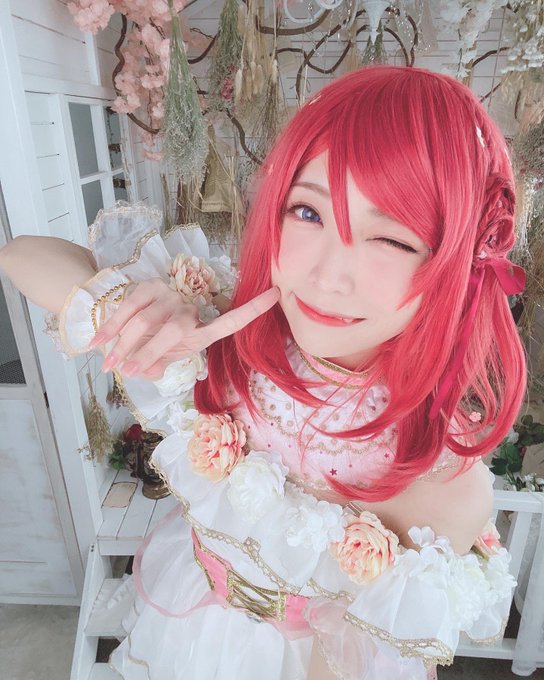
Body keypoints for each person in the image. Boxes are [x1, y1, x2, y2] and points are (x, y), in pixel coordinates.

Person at [0, 65, 526, 679]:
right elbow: (22, 255)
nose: (326, 275)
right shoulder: (226, 323)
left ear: (460, 263)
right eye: (308, 212)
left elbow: (350, 649)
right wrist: (133, 311)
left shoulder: (431, 471)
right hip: (191, 616)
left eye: (392, 240)